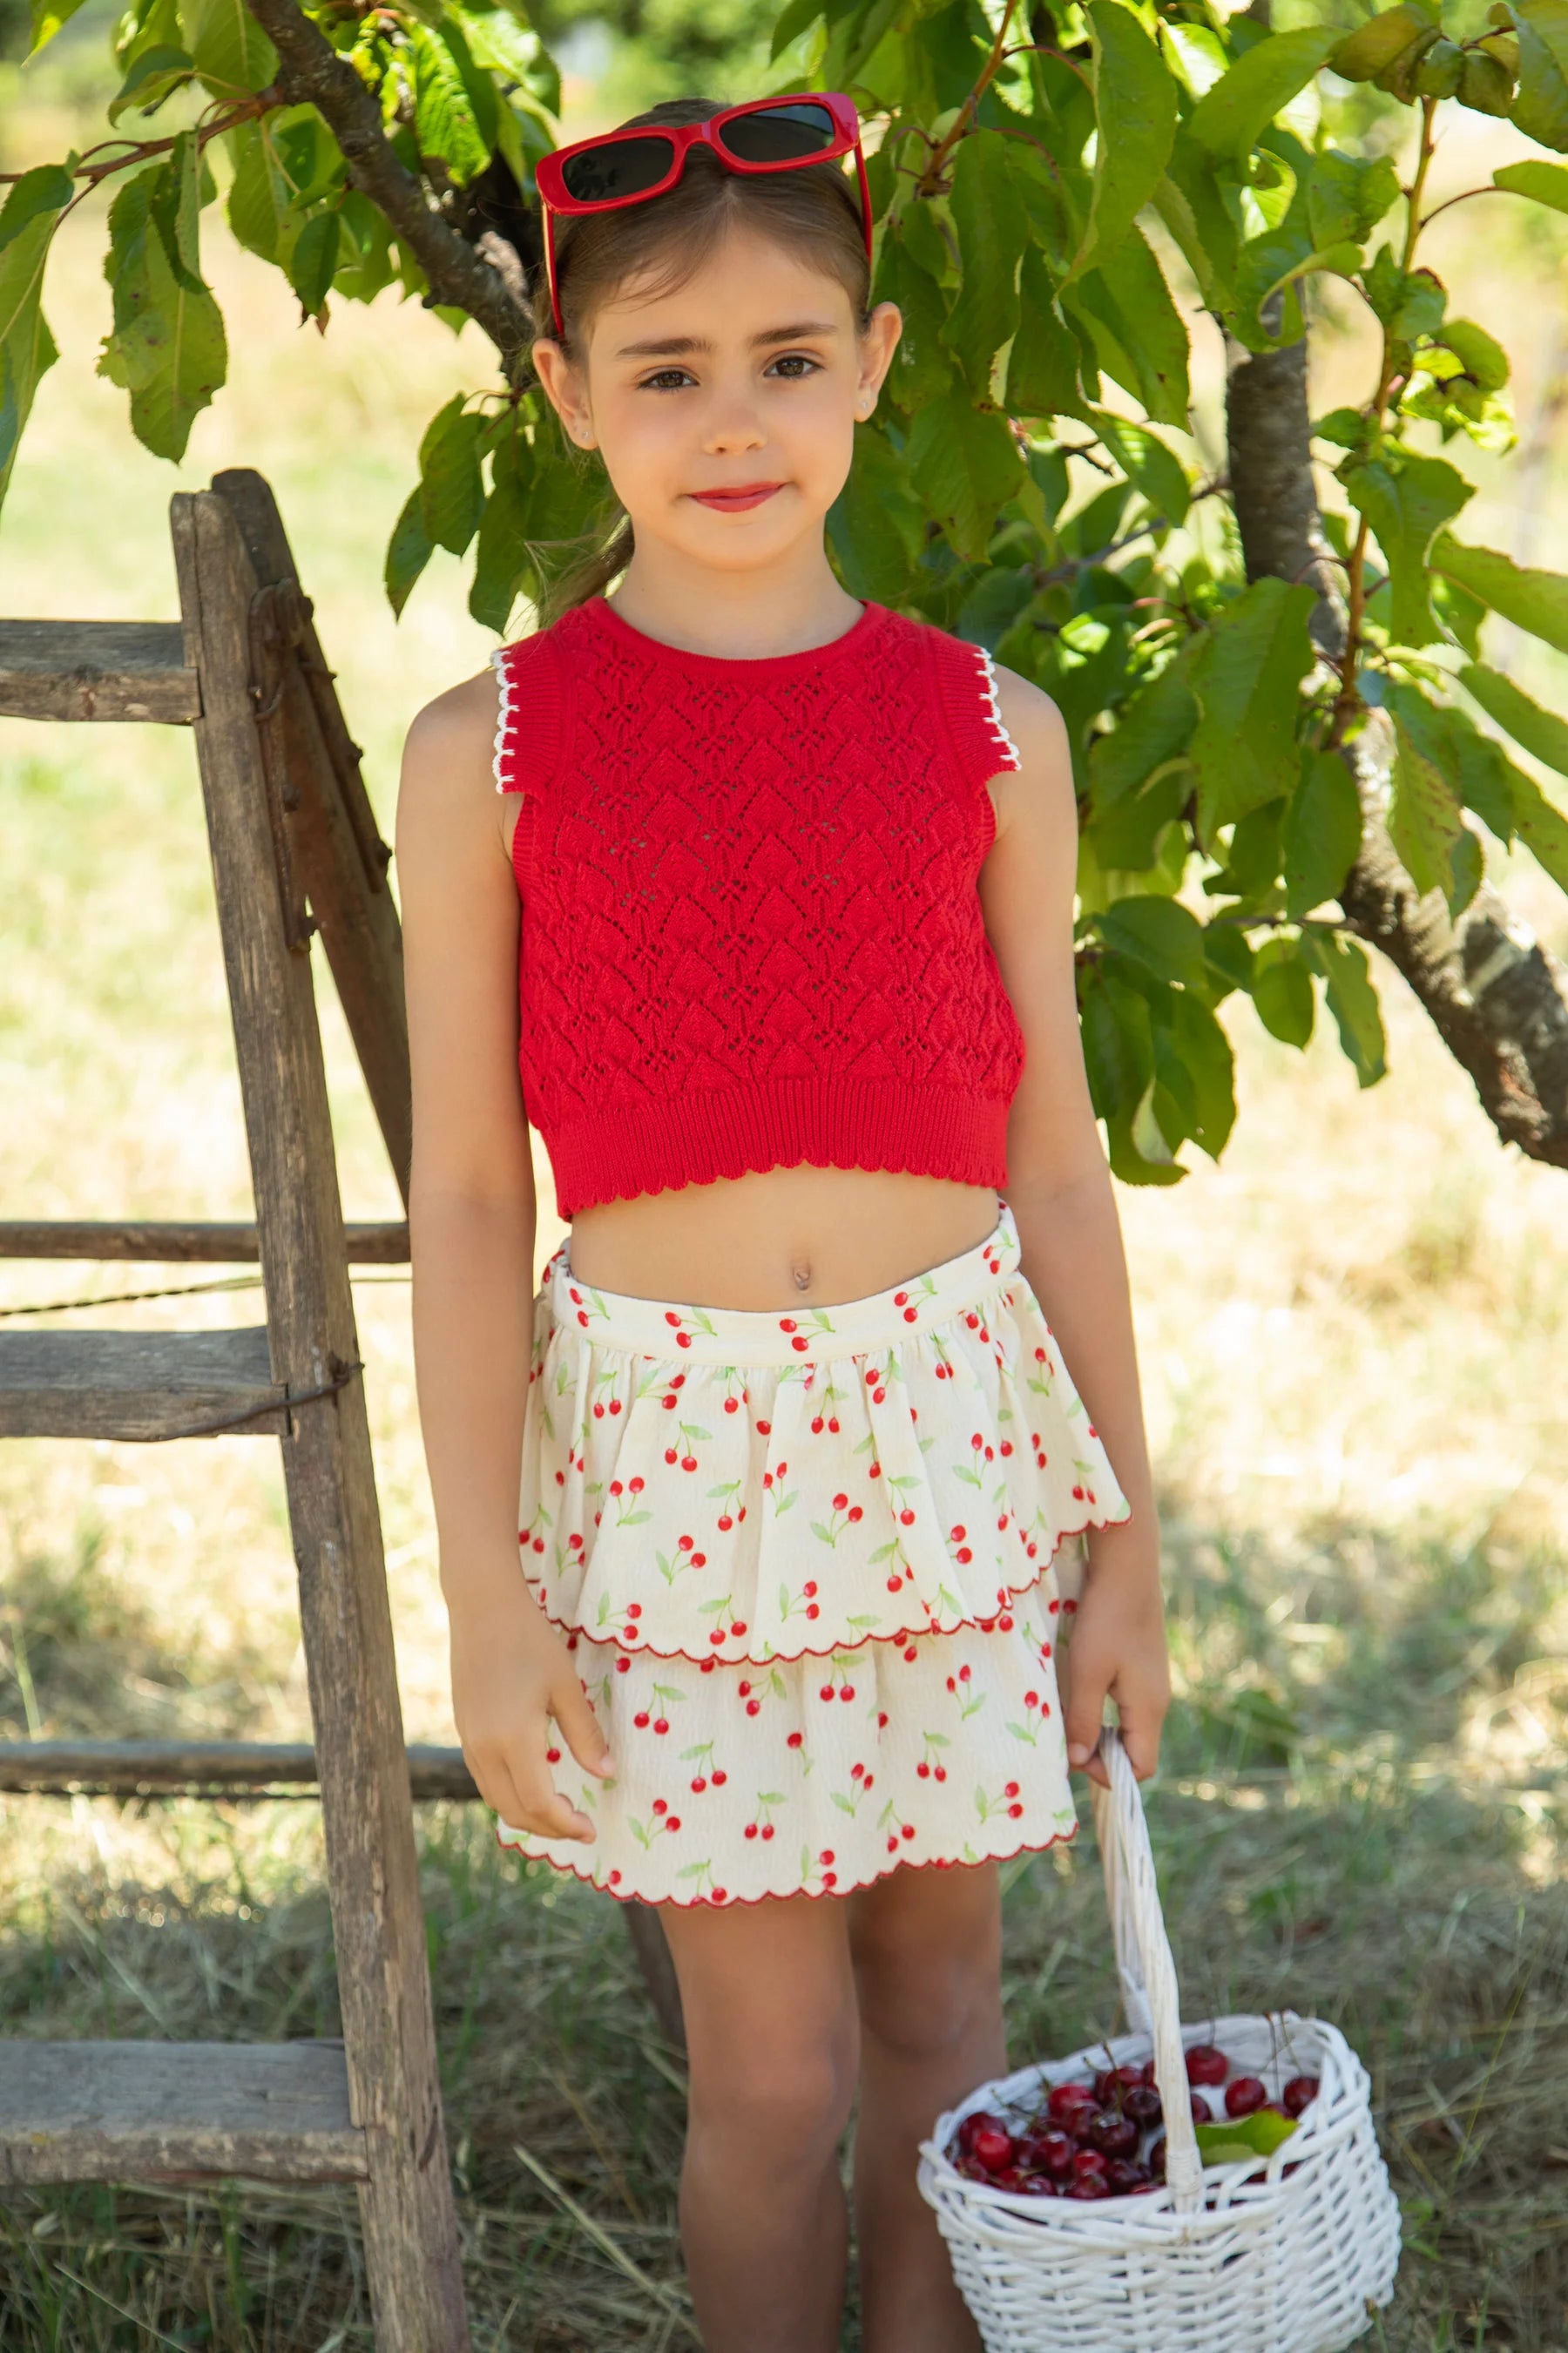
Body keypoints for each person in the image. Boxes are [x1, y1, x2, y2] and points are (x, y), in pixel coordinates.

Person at [395, 90, 1171, 2353]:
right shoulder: (500, 748)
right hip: (682, 1489)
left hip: (953, 1449)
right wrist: (488, 1593)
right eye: (665, 369)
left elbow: (1056, 1165)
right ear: (563, 395)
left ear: (876, 358)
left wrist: (1125, 1546)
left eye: (787, 355)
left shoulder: (989, 730)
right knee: (777, 2080)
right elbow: (458, 1193)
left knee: (948, 2025)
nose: (733, 419)